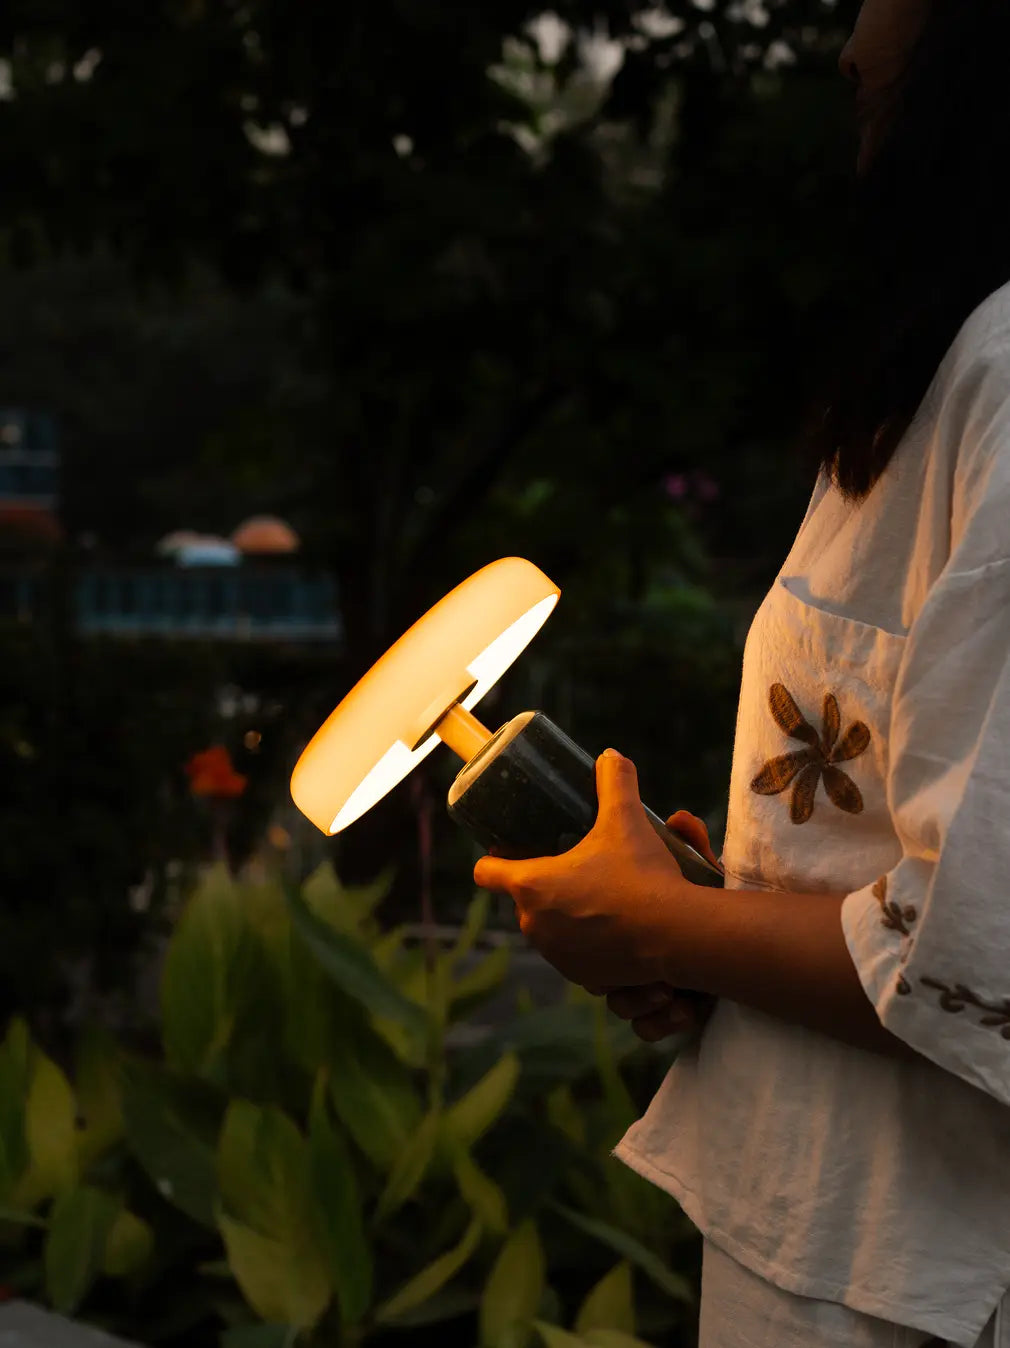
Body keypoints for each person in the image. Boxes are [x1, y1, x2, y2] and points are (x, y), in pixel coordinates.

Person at [473, 2, 1010, 1345]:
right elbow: (910, 869)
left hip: (924, 1273)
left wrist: (657, 927)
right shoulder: (948, 367)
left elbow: (984, 955)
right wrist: (709, 917)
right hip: (837, 1228)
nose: (849, 39)